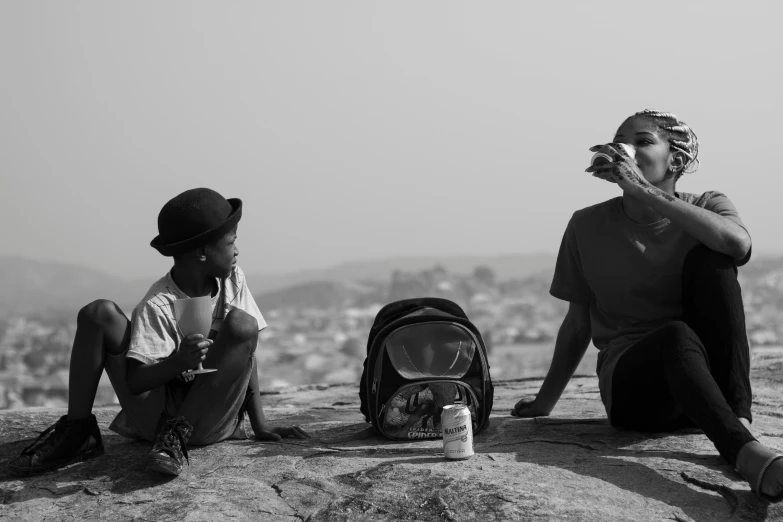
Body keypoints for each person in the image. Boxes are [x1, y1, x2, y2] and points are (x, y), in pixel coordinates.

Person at [510, 110, 782, 501]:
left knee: (715, 262)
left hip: (706, 391)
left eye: (642, 141)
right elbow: (576, 325)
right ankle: (745, 451)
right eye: (620, 141)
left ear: (675, 159)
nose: (627, 150)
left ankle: (736, 423)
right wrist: (544, 403)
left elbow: (738, 246)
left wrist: (643, 190)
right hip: (637, 394)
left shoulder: (708, 204)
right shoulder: (586, 225)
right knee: (675, 335)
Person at [9, 187, 309, 478]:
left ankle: (176, 436)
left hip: (205, 419)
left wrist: (260, 424)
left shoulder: (234, 279)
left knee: (243, 324)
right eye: (231, 243)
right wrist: (178, 362)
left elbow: (246, 353)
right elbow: (137, 381)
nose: (237, 251)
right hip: (157, 421)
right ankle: (78, 430)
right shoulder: (158, 304)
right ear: (203, 252)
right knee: (98, 313)